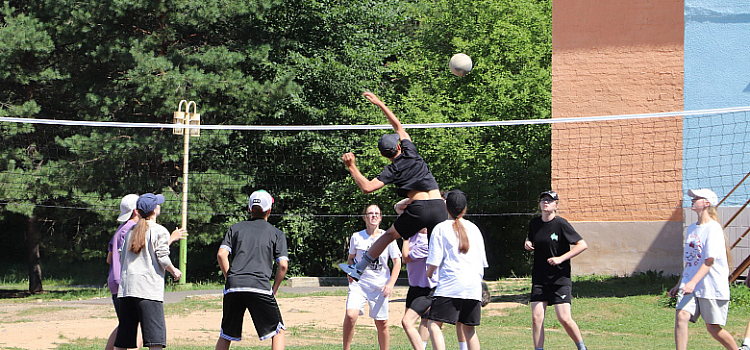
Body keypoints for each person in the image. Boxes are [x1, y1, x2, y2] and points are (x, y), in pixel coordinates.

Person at [339, 91, 446, 281]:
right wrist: (380, 103)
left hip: (419, 208)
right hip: (439, 205)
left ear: (383, 155)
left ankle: (358, 269)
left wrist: (351, 167)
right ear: (399, 146)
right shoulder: (411, 151)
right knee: (444, 244)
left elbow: (367, 187)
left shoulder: (392, 169)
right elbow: (398, 126)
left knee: (388, 235)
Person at [105, 194, 186, 350]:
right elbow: (162, 256)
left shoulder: (130, 231)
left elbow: (121, 257)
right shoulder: (159, 230)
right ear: (155, 210)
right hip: (147, 290)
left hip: (127, 291)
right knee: (155, 340)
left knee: (124, 340)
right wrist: (174, 270)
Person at [215, 190, 288, 350]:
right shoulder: (277, 233)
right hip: (260, 285)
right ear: (269, 210)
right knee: (278, 331)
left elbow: (222, 254)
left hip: (234, 286)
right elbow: (283, 265)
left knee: (226, 334)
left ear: (249, 209)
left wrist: (230, 277)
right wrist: (273, 289)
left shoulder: (235, 228)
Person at [668, 188, 736, 350]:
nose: (692, 200)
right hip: (691, 284)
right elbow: (690, 262)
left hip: (711, 286)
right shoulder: (691, 228)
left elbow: (709, 261)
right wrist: (680, 283)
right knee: (682, 316)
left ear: (707, 203)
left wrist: (692, 282)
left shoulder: (714, 229)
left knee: (713, 328)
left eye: (697, 198)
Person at [524, 190, 588, 350]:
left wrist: (561, 258)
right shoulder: (534, 223)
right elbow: (531, 237)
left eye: (550, 200)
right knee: (536, 318)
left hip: (559, 278)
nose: (545, 202)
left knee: (564, 318)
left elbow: (582, 244)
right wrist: (527, 242)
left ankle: (581, 347)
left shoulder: (561, 224)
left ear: (556, 205)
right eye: (543, 199)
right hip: (540, 277)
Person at [425, 190, 488, 350]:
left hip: (451, 284)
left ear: (446, 206)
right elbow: (482, 263)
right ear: (465, 208)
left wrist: (429, 273)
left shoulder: (440, 228)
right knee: (469, 329)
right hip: (473, 286)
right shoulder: (474, 229)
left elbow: (434, 261)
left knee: (433, 324)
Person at [343, 204, 402, 350]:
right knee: (351, 315)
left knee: (381, 323)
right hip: (360, 284)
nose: (374, 215)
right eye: (370, 213)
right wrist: (350, 271)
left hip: (380, 285)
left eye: (377, 213)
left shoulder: (388, 237)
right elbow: (350, 259)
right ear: (365, 217)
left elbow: (397, 262)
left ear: (381, 218)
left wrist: (390, 284)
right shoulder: (357, 237)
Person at [401, 227, 436, 350]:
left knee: (407, 322)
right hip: (414, 286)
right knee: (424, 321)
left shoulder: (428, 241)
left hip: (428, 290)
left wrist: (405, 237)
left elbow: (405, 258)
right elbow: (398, 208)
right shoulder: (414, 234)